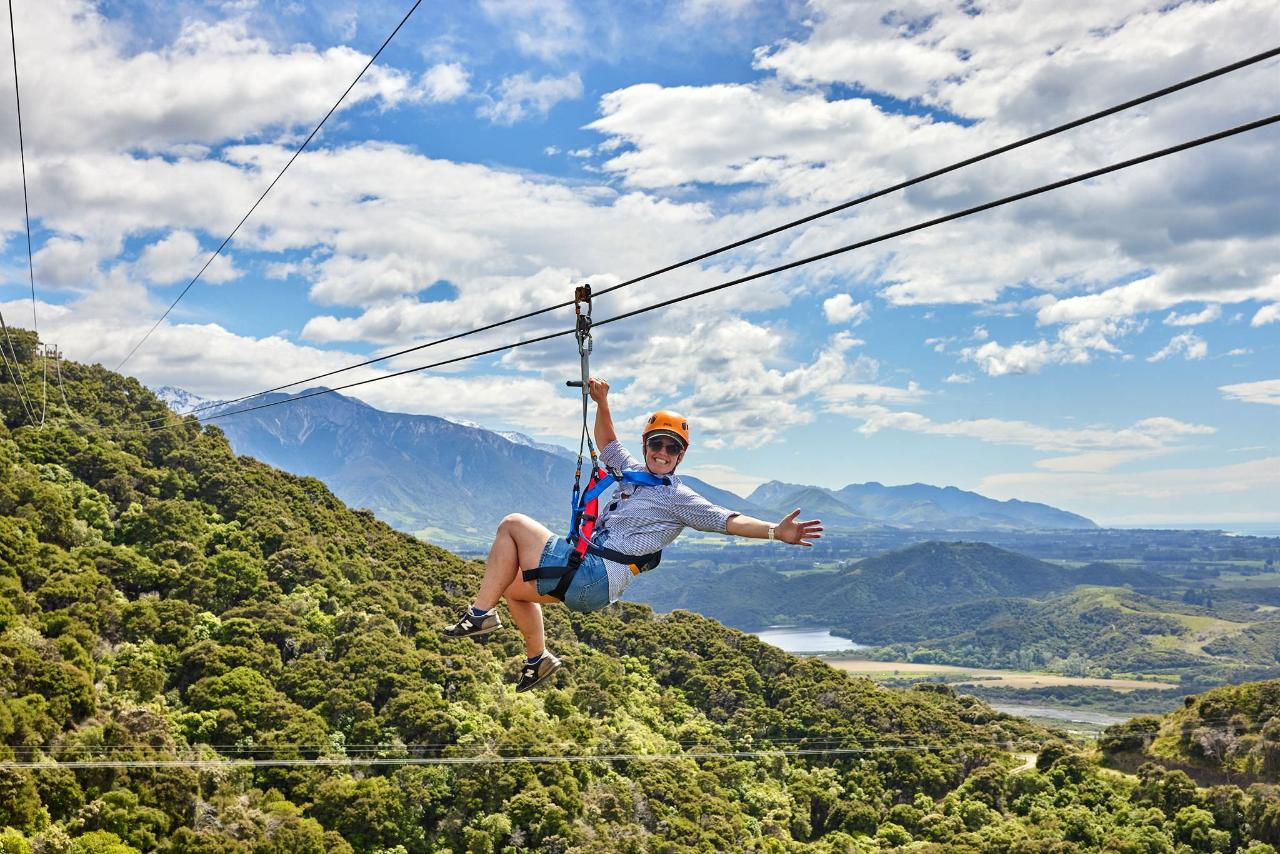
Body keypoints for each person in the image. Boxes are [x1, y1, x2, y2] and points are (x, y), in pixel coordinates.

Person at [443, 377, 823, 692]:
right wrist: (602, 402)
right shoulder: (631, 472)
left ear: (680, 457)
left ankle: (479, 614)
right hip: (593, 586)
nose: (661, 451)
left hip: (593, 573)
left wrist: (776, 531)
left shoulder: (677, 497)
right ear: (646, 447)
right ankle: (537, 658)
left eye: (670, 448)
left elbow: (728, 519)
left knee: (512, 524)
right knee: (512, 590)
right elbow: (608, 442)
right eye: (656, 443)